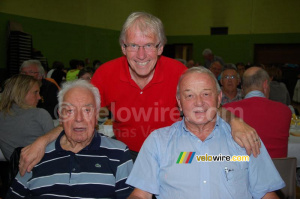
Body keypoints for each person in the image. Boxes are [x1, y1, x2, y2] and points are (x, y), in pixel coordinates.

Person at [19, 12, 260, 175]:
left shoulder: (179, 72)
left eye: (149, 45)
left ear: (161, 47)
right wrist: (42, 141)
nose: (141, 54)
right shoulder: (106, 73)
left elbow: (206, 105)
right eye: (134, 45)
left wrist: (236, 122)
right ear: (123, 47)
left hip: (176, 154)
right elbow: (78, 115)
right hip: (127, 156)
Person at [126, 67, 284, 199]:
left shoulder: (245, 139)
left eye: (206, 94)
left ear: (219, 98)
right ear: (179, 103)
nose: (199, 102)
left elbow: (267, 194)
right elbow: (140, 195)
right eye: (189, 95)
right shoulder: (158, 142)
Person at [6, 80, 133, 198]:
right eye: (70, 111)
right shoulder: (36, 155)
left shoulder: (118, 154)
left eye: (87, 110)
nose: (79, 118)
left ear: (96, 115)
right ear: (60, 116)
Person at [223, 67, 292, 158]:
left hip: (245, 170)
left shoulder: (227, 111)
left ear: (243, 88)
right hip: (279, 170)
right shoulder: (285, 111)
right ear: (265, 85)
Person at [0, 74, 54, 160]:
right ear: (21, 93)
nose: (39, 97)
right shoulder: (39, 114)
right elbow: (56, 147)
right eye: (35, 92)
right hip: (44, 168)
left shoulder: (2, 116)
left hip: (16, 170)